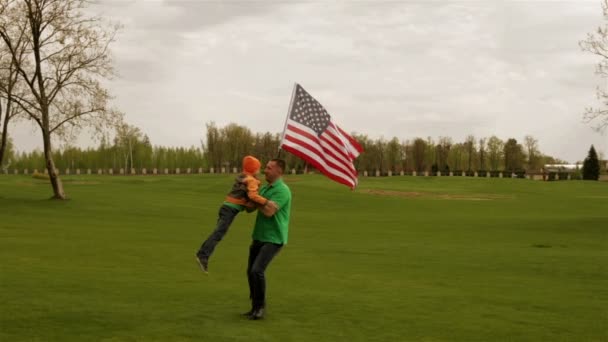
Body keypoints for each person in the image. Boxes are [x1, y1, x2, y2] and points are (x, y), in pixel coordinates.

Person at [196, 156, 277, 273]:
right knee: (218, 233)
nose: (260, 171)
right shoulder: (252, 180)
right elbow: (252, 196)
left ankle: (203, 254)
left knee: (218, 232)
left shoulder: (243, 177)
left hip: (225, 207)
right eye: (258, 169)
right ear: (254, 170)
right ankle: (203, 255)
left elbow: (246, 197)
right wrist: (267, 202)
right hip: (230, 210)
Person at [243, 158, 292, 320]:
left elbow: (269, 211)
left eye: (270, 168)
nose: (265, 170)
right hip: (259, 235)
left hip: (274, 238)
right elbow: (249, 209)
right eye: (266, 167)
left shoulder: (283, 190)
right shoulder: (264, 188)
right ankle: (254, 307)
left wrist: (256, 201)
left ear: (279, 171)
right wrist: (247, 194)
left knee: (257, 270)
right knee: (250, 272)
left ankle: (260, 308)